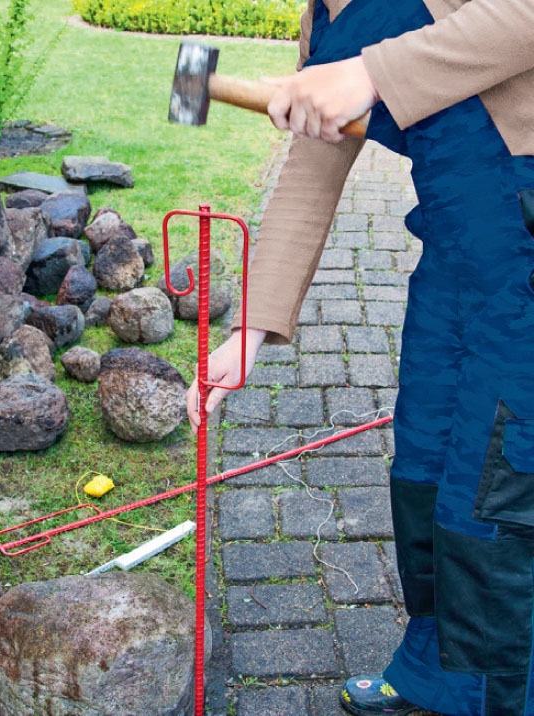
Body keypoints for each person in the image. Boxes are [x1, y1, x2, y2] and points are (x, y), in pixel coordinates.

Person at [186, 0, 534, 714]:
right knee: (424, 470)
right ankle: (440, 676)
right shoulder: (327, 18)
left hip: (524, 253)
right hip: (457, 263)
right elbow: (314, 161)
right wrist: (248, 334)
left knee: (497, 492)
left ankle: (500, 696)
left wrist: (373, 74)